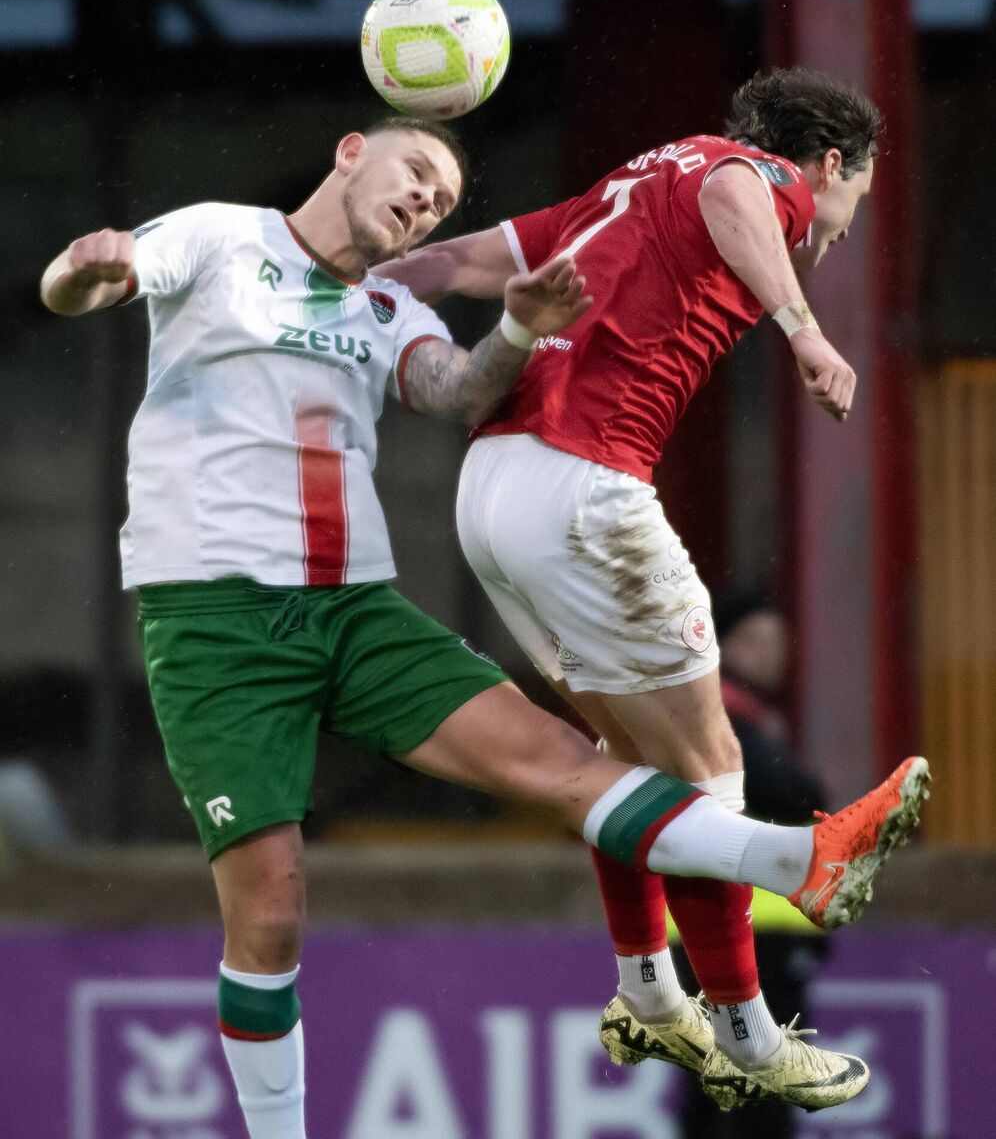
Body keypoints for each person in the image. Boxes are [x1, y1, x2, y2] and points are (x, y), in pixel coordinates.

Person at [40, 113, 926, 1139]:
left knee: (564, 762)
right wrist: (84, 266)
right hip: (215, 619)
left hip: (358, 610)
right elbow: (89, 285)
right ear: (348, 151)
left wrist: (514, 328)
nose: (425, 199)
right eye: (415, 171)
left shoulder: (383, 305)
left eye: (442, 198)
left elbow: (455, 392)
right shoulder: (220, 234)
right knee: (271, 913)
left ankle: (795, 865)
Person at [375, 67, 921, 1113]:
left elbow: (465, 259)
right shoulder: (745, 175)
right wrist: (802, 327)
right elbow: (739, 195)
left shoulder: (634, 179)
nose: (837, 224)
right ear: (833, 161)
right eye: (849, 198)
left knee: (628, 767)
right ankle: (752, 1035)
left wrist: (357, 269)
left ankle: (647, 991)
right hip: (587, 489)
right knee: (711, 764)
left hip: (493, 489)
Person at [676, 591, 830, 1138]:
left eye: (779, 641)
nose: (772, 654)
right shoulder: (727, 714)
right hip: (745, 929)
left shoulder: (746, 714)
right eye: (756, 641)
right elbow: (790, 793)